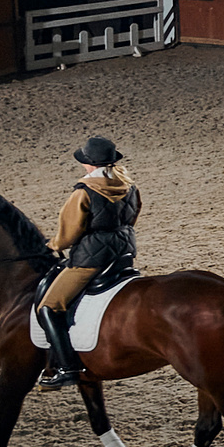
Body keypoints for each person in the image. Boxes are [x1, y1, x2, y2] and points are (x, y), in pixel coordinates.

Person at [36, 136, 141, 390]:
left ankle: (67, 368)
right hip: (124, 254)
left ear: (89, 163)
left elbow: (69, 233)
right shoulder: (129, 186)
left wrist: (54, 245)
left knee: (49, 307)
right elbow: (133, 215)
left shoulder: (84, 191)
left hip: (92, 259)